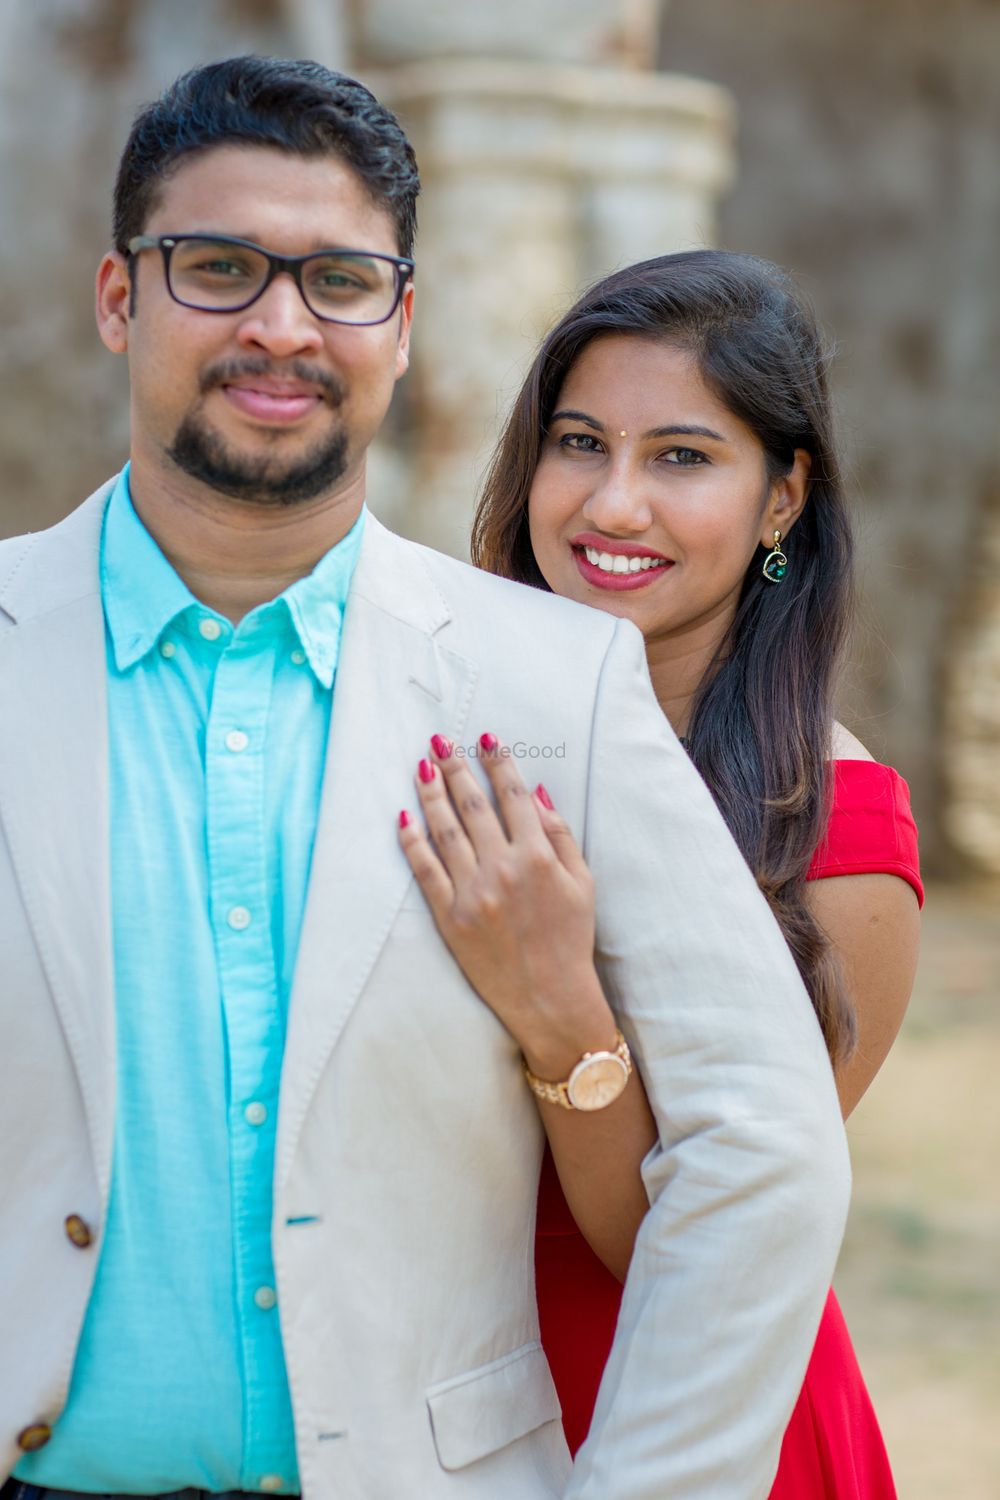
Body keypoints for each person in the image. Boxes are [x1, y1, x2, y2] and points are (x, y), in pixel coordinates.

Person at [0, 58, 849, 1500]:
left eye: (338, 279)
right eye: (217, 268)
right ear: (117, 298)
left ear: (402, 323)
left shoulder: (553, 684)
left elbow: (764, 1148)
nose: (281, 324)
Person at [400, 250, 922, 1497]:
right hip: (417, 1405)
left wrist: (558, 1014)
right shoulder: (433, 734)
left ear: (782, 499)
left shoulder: (842, 835)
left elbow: (695, 1248)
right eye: (578, 444)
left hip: (689, 1419)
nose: (611, 505)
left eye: (681, 457)